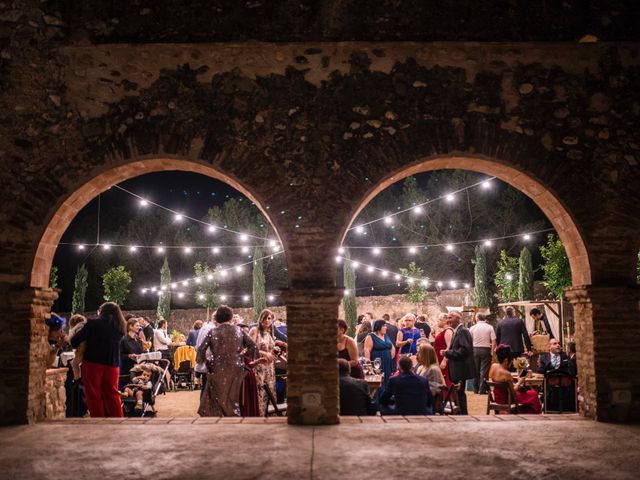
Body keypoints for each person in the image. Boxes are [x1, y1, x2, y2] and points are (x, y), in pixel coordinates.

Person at [197, 305, 257, 416]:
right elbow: (253, 346)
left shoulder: (212, 332)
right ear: (231, 317)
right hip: (237, 368)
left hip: (217, 368)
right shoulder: (239, 330)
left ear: (217, 318)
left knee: (218, 396)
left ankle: (220, 419)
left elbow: (200, 350)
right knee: (233, 396)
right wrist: (243, 356)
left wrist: (206, 362)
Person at [70, 302, 126, 417]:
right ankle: (118, 421)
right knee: (112, 395)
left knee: (93, 395)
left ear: (102, 311)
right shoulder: (119, 327)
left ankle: (98, 421)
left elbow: (75, 341)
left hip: (93, 364)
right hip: (112, 365)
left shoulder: (93, 324)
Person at [489, 344, 542, 414]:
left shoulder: (493, 366)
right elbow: (513, 391)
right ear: (506, 360)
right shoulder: (506, 373)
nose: (511, 362)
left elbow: (498, 380)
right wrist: (520, 382)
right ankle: (534, 414)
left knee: (529, 393)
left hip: (498, 398)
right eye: (510, 360)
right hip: (508, 399)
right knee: (534, 394)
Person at [442, 312, 476, 415]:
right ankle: (460, 414)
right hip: (457, 368)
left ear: (458, 319)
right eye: (447, 318)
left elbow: (464, 350)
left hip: (461, 369)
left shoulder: (462, 331)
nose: (448, 320)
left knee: (460, 394)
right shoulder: (458, 331)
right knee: (458, 394)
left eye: (450, 318)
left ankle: (463, 415)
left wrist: (448, 353)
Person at [249, 309, 277, 416]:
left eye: (269, 318)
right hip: (258, 366)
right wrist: (264, 354)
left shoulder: (269, 333)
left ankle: (269, 416)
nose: (267, 321)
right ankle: (259, 417)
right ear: (260, 319)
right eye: (265, 318)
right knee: (260, 393)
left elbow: (271, 350)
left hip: (269, 368)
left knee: (269, 393)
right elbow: (250, 349)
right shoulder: (254, 330)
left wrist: (275, 352)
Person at [364, 319, 395, 403]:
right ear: (378, 327)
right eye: (384, 326)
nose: (386, 327)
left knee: (387, 381)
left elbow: (392, 347)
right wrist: (369, 365)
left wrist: (390, 357)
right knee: (378, 383)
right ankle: (377, 403)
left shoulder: (386, 336)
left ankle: (386, 402)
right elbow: (367, 350)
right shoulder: (370, 336)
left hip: (388, 363)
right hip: (377, 363)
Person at [469, 313, 496, 394]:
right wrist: (491, 352)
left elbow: (469, 341)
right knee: (484, 371)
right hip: (486, 349)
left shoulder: (472, 328)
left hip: (475, 349)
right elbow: (494, 341)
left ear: (477, 318)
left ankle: (475, 389)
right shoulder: (489, 327)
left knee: (475, 370)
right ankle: (482, 389)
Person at [119, 317, 146, 387]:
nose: (139, 327)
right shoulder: (124, 340)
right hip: (128, 367)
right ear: (130, 326)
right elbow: (120, 355)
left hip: (139, 366)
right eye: (137, 326)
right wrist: (129, 356)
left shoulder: (138, 339)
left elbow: (141, 352)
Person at [194, 313, 216, 394]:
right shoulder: (211, 329)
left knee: (205, 388)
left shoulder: (205, 327)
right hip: (208, 363)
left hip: (205, 363)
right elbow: (205, 349)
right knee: (207, 389)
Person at [433, 313, 454, 389]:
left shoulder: (448, 331)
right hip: (439, 357)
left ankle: (447, 397)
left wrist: (445, 360)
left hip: (443, 358)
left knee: (445, 378)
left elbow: (449, 346)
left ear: (444, 321)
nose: (437, 322)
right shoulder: (444, 331)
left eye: (439, 320)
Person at [68, 314, 87, 380]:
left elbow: (79, 341)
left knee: (74, 363)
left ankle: (77, 379)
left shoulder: (78, 328)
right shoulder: (84, 326)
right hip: (85, 350)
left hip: (82, 350)